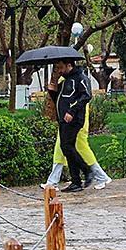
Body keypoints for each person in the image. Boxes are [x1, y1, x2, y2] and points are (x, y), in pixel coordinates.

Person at [47, 57, 93, 192]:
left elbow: (86, 95)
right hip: (63, 118)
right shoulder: (65, 80)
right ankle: (76, 181)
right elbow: (59, 99)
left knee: (67, 146)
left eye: (61, 68)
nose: (59, 71)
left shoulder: (80, 78)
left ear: (69, 65)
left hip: (74, 118)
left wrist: (72, 111)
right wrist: (52, 90)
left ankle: (86, 170)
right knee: (67, 147)